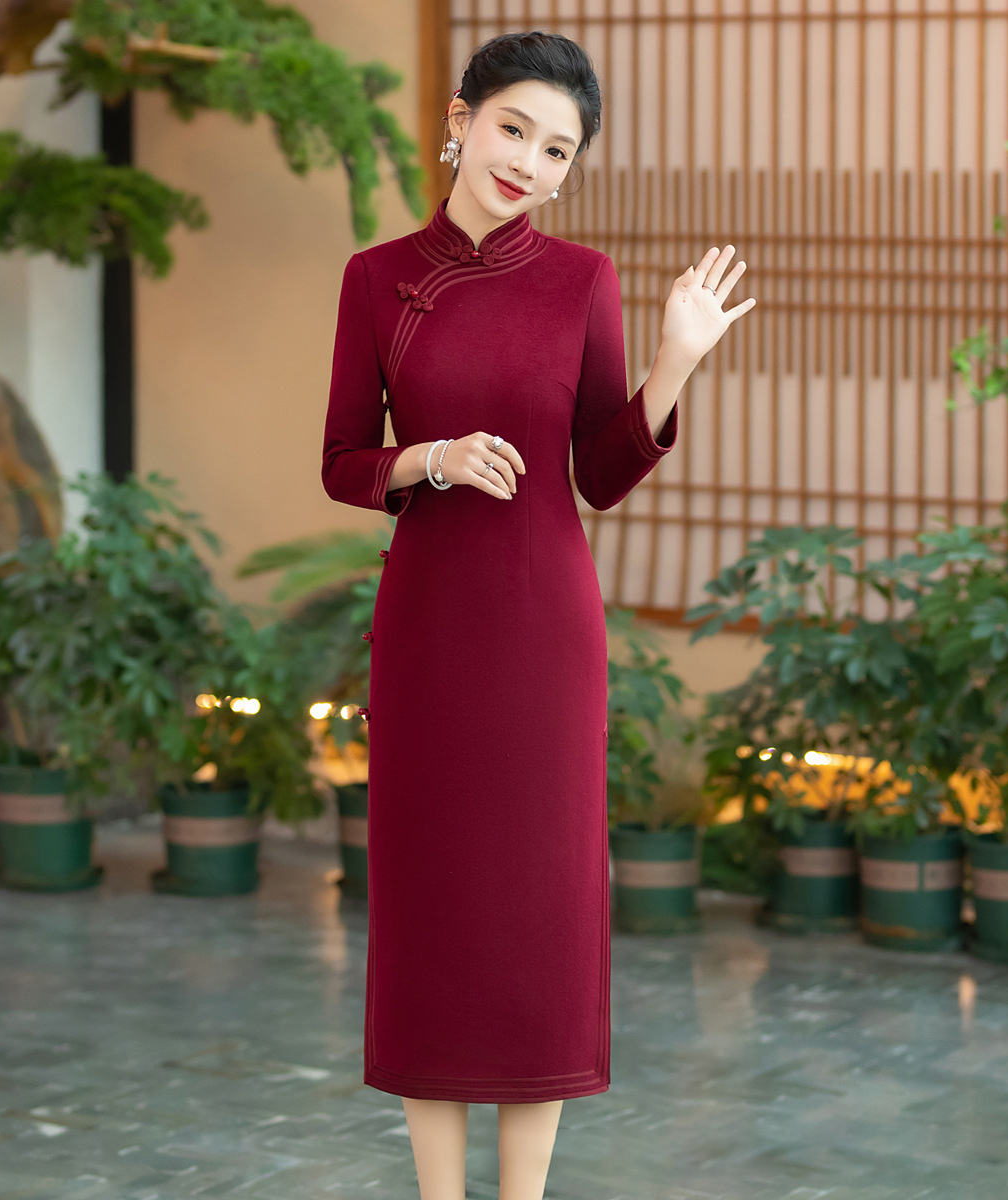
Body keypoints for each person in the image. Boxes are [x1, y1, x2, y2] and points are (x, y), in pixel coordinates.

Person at [320, 30, 754, 1200]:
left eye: (557, 150)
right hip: (430, 631)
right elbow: (344, 459)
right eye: (513, 129)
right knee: (433, 906)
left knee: (538, 912)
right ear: (461, 122)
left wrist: (674, 364)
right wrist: (433, 459)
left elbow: (601, 473)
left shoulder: (584, 281)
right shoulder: (375, 278)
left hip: (544, 635)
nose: (528, 162)